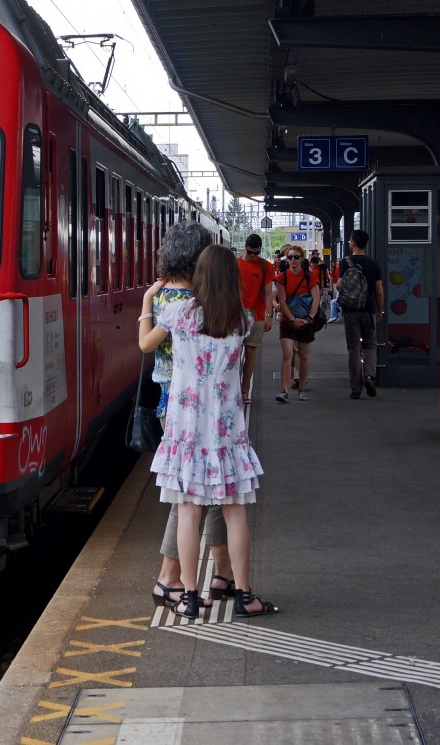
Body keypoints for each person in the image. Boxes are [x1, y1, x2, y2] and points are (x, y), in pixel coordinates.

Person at [139, 245, 279, 619]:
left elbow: (144, 344)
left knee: (188, 511)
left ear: (199, 276)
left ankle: (186, 596)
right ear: (231, 278)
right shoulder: (243, 320)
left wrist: (147, 302)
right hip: (227, 431)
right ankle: (245, 595)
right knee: (235, 512)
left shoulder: (177, 313)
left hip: (187, 431)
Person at [140, 222, 233, 608]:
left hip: (173, 403)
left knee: (200, 493)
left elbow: (146, 345)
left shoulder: (163, 298)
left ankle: (220, 572)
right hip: (188, 406)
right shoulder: (192, 303)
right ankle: (171, 576)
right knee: (195, 495)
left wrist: (146, 302)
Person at [337, 229, 385, 399]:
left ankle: (355, 389)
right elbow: (379, 290)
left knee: (354, 349)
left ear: (352, 243)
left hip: (351, 311)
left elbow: (340, 285)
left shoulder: (345, 262)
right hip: (369, 310)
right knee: (371, 345)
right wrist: (379, 310)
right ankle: (369, 376)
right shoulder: (373, 263)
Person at [274, 245, 320, 403]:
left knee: (304, 355)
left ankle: (301, 388)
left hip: (306, 320)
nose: (292, 260)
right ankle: (284, 390)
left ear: (302, 259)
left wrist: (309, 318)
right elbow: (283, 301)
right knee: (287, 355)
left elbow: (316, 299)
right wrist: (293, 319)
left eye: (296, 257)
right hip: (287, 320)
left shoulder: (310, 277)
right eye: (290, 257)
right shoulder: (281, 278)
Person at [236, 234, 274, 404]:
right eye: (251, 253)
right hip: (236, 315)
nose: (253, 256)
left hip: (257, 314)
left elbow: (268, 292)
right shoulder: (235, 265)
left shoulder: (266, 267)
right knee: (233, 354)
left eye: (256, 253)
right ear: (245, 247)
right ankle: (234, 388)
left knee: (251, 353)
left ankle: (244, 390)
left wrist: (268, 316)